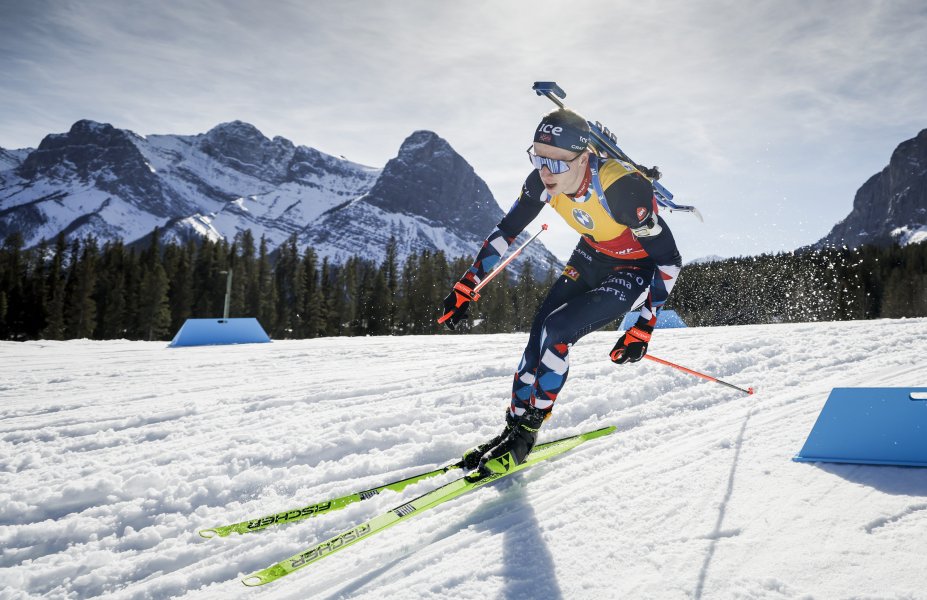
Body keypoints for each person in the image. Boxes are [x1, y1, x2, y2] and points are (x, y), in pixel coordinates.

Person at [441, 107, 683, 475]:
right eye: (538, 158)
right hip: (589, 257)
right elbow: (506, 231)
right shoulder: (540, 182)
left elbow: (669, 261)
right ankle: (510, 430)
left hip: (634, 267)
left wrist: (644, 325)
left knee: (557, 333)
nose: (544, 172)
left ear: (585, 159)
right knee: (537, 336)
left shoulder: (622, 190)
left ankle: (526, 435)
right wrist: (467, 284)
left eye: (555, 164)